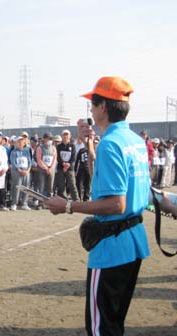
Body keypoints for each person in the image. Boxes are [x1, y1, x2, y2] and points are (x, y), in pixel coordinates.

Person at [46, 76, 150, 336]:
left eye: (93, 103)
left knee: (101, 328)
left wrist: (68, 205)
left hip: (112, 246)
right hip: (133, 241)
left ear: (104, 107)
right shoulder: (134, 141)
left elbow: (115, 203)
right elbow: (104, 181)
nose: (90, 109)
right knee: (114, 322)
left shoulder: (112, 144)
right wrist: (90, 145)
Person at [56, 129, 79, 201]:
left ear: (69, 136)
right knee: (61, 185)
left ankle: (76, 200)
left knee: (72, 184)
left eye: (67, 134)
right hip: (60, 168)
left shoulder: (72, 146)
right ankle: (63, 200)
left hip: (70, 168)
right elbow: (58, 157)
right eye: (64, 135)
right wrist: (63, 164)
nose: (65, 136)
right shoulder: (59, 146)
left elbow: (74, 156)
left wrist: (68, 164)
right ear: (62, 136)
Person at [9, 136, 31, 210]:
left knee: (26, 187)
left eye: (22, 141)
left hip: (26, 171)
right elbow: (13, 162)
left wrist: (27, 170)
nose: (20, 143)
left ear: (24, 142)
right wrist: (20, 171)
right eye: (19, 141)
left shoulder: (27, 151)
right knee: (16, 187)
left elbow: (30, 162)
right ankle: (14, 203)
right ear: (16, 143)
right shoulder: (13, 152)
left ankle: (24, 203)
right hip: (17, 172)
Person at [36, 132, 57, 201]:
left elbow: (54, 159)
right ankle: (40, 202)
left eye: (50, 139)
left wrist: (51, 168)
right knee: (41, 186)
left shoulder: (53, 148)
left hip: (51, 169)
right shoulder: (40, 148)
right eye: (48, 138)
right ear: (44, 139)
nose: (49, 140)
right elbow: (39, 160)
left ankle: (50, 202)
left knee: (50, 187)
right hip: (42, 169)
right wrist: (46, 168)